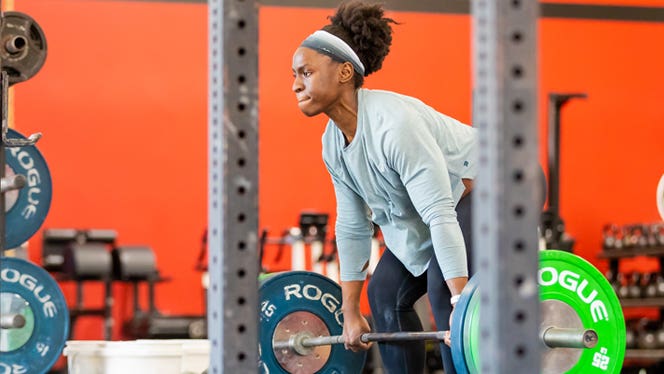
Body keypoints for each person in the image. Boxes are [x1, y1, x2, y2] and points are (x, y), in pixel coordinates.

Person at [290, 1, 477, 373]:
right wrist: (350, 313)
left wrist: (462, 306)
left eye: (306, 72)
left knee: (444, 289)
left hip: (498, 184)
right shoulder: (333, 143)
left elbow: (440, 212)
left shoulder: (394, 126)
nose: (296, 84)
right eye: (294, 74)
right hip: (448, 208)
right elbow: (353, 226)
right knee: (384, 294)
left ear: (344, 71)